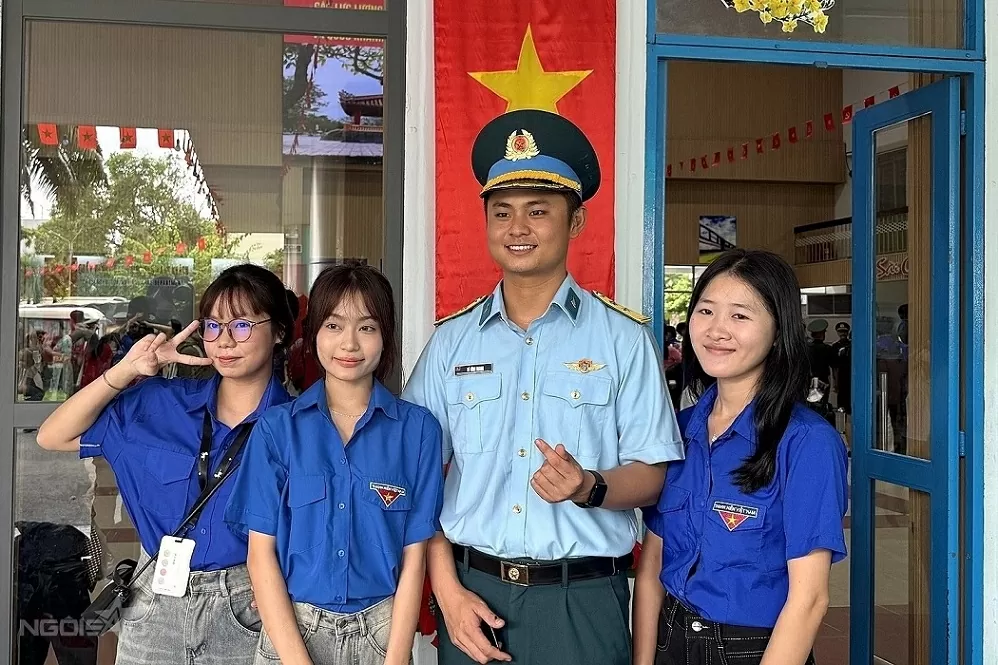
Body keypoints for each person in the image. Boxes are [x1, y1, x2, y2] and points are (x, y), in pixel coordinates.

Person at [402, 109, 683, 665]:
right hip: (473, 597)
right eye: (501, 213)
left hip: (581, 604)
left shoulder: (623, 340)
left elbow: (653, 476)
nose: (517, 228)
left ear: (575, 223)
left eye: (538, 211)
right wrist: (447, 593)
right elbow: (414, 477)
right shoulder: (451, 344)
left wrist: (589, 486)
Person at [34, 264, 295, 665]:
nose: (224, 341)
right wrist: (123, 372)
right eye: (213, 325)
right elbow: (53, 436)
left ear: (278, 331)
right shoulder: (159, 404)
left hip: (250, 611)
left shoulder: (301, 426)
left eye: (241, 325)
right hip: (156, 607)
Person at [632, 249, 848, 665]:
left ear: (778, 330)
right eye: (706, 311)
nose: (716, 330)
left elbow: (810, 600)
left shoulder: (808, 442)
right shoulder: (679, 429)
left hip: (752, 649)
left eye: (740, 316)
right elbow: (654, 562)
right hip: (670, 640)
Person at [224, 263, 444, 665]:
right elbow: (261, 555)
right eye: (334, 326)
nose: (349, 344)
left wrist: (395, 660)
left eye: (367, 327)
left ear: (385, 337)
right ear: (313, 336)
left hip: (382, 631)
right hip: (293, 630)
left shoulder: (418, 432)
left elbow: (416, 556)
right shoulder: (277, 430)